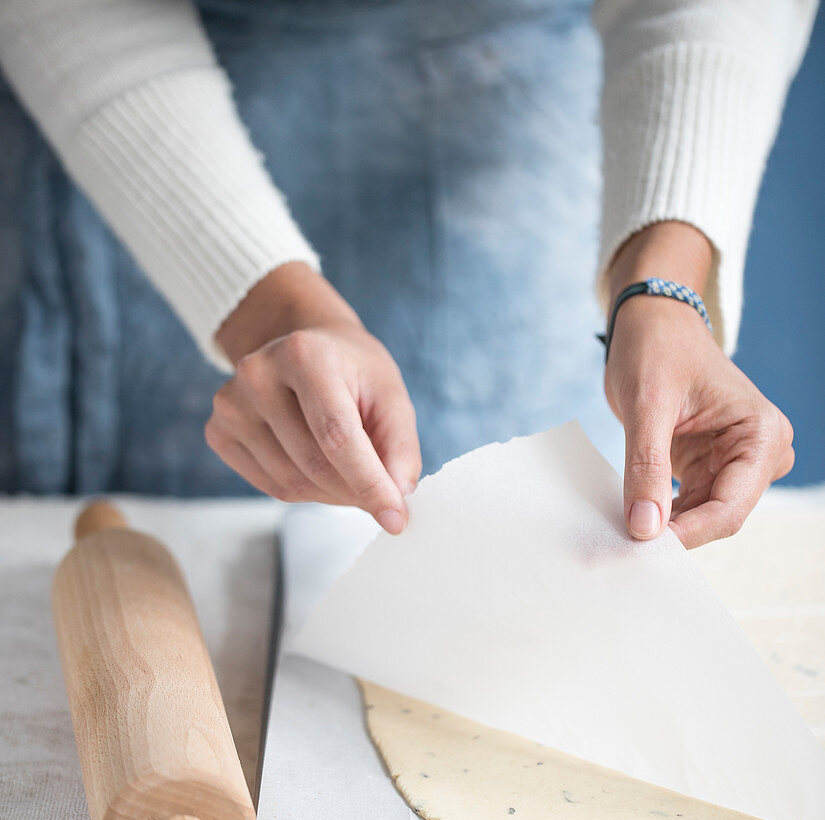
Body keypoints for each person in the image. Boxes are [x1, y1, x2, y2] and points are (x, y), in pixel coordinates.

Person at [0, 0, 815, 546]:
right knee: (146, 556)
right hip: (146, 157)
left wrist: (662, 286)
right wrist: (264, 305)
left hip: (511, 164)